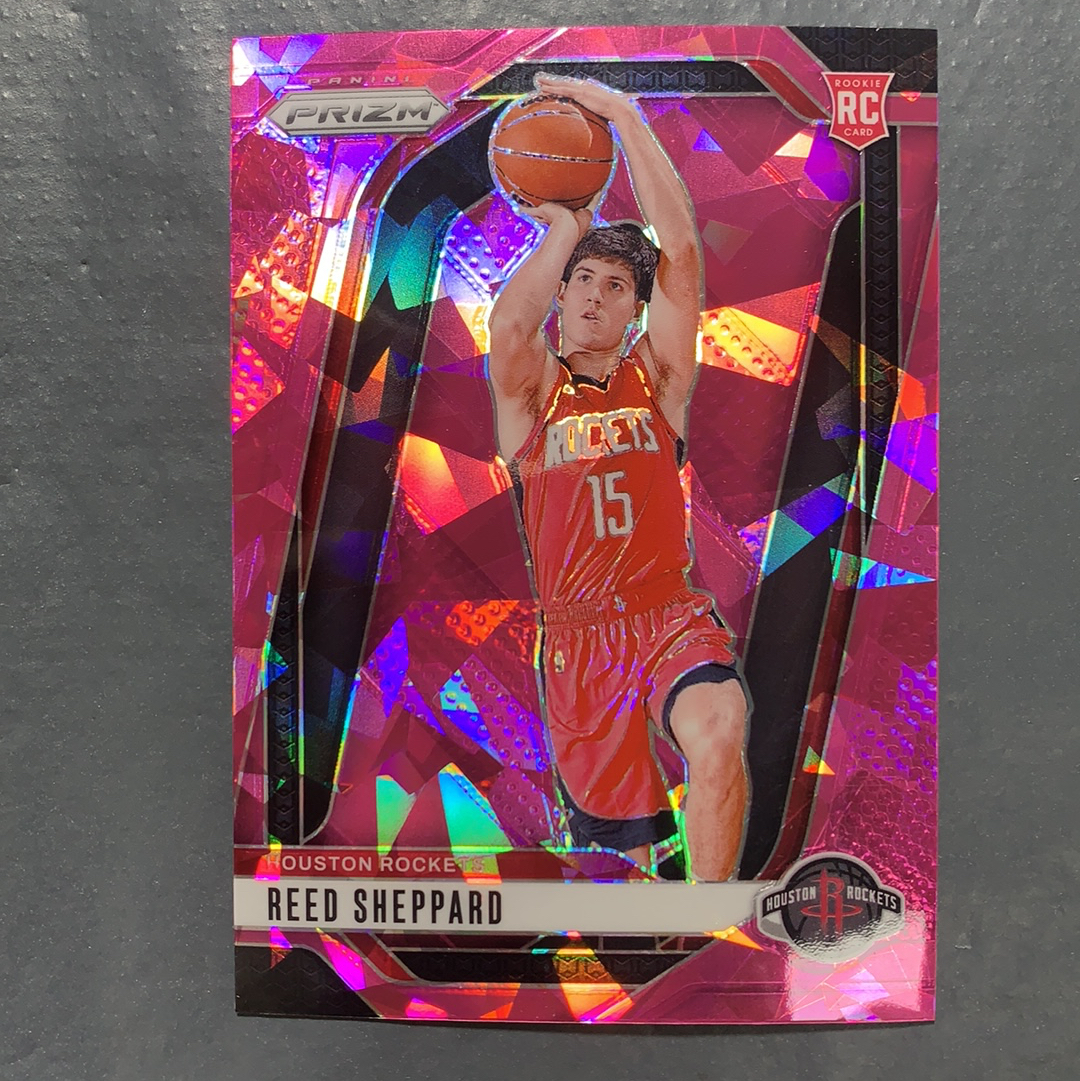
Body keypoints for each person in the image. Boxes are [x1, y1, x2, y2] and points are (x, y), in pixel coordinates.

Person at [487, 75, 749, 881]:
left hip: (667, 614)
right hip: (578, 642)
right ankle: (654, 936)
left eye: (617, 285)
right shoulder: (532, 396)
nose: (597, 297)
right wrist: (567, 228)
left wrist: (626, 118)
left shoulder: (657, 380)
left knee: (719, 732)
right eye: (584, 280)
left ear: (636, 309)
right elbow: (510, 323)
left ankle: (714, 923)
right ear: (561, 292)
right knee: (624, 874)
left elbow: (683, 255)